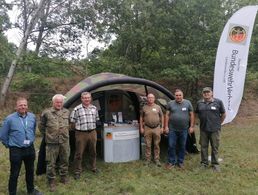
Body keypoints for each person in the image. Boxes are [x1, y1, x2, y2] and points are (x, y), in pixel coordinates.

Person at [0, 97, 43, 195]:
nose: (23, 107)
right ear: (16, 107)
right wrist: (10, 145)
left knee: (30, 171)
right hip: (16, 150)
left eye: (25, 105)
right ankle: (12, 192)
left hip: (30, 149)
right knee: (15, 173)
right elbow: (2, 135)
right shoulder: (10, 119)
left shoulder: (32, 117)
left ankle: (31, 190)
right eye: (20, 105)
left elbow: (33, 129)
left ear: (27, 106)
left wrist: (31, 140)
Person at [39, 94, 70, 192]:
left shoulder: (66, 112)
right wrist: (48, 135)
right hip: (52, 142)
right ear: (53, 102)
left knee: (64, 160)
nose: (59, 104)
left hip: (64, 141)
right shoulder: (47, 113)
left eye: (61, 102)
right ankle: (51, 181)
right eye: (57, 102)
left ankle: (63, 177)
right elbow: (41, 126)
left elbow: (69, 124)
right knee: (51, 163)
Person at [70, 92, 100, 179]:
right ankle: (77, 171)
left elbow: (97, 119)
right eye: (84, 98)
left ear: (90, 98)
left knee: (93, 151)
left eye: (88, 98)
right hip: (81, 133)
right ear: (81, 99)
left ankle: (93, 167)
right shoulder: (77, 109)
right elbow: (72, 122)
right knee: (79, 153)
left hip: (92, 132)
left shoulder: (94, 108)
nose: (87, 99)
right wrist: (77, 131)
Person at [195, 87, 226, 172]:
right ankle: (204, 163)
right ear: (203, 94)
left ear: (211, 93)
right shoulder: (199, 103)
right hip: (203, 129)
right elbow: (197, 114)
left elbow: (223, 114)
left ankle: (215, 164)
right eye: (204, 92)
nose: (206, 94)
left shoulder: (218, 102)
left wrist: (219, 123)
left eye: (208, 92)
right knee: (203, 147)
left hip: (214, 129)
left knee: (214, 147)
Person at [164, 89, 194, 169]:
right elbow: (167, 115)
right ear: (174, 96)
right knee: (171, 145)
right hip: (172, 129)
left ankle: (180, 162)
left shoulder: (188, 103)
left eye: (179, 95)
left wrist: (191, 126)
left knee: (182, 146)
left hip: (184, 129)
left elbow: (191, 115)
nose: (178, 97)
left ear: (182, 95)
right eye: (176, 95)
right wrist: (166, 126)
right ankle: (171, 162)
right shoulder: (170, 103)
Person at [139, 93, 163, 167]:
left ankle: (157, 159)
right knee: (148, 145)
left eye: (152, 98)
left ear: (154, 99)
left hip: (156, 128)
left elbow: (162, 117)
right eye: (149, 98)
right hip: (147, 128)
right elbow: (141, 118)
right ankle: (148, 160)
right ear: (147, 99)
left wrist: (162, 127)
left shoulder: (158, 107)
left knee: (156, 144)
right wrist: (141, 127)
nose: (150, 99)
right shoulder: (144, 107)